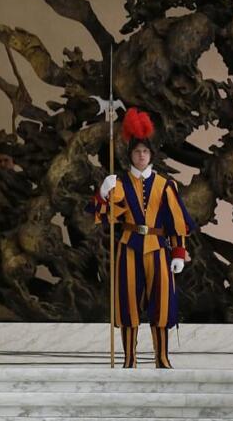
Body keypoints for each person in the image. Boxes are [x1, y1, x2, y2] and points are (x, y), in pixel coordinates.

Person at [93, 108, 196, 368]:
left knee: (161, 305)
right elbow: (105, 216)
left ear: (151, 155)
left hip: (159, 249)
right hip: (128, 247)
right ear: (130, 155)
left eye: (145, 151)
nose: (141, 155)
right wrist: (103, 194)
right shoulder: (119, 183)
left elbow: (177, 223)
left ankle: (162, 358)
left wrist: (179, 253)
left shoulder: (165, 185)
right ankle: (130, 359)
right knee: (127, 304)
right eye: (137, 151)